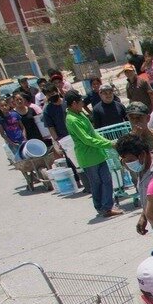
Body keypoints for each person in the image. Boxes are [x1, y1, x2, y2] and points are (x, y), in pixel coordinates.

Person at [64, 90, 124, 218]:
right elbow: (86, 139)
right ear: (74, 103)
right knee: (96, 183)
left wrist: (108, 142)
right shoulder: (72, 120)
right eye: (80, 102)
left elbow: (93, 133)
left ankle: (107, 207)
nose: (82, 104)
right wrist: (109, 144)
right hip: (88, 158)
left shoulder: (81, 114)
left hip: (98, 154)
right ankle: (101, 208)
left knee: (107, 180)